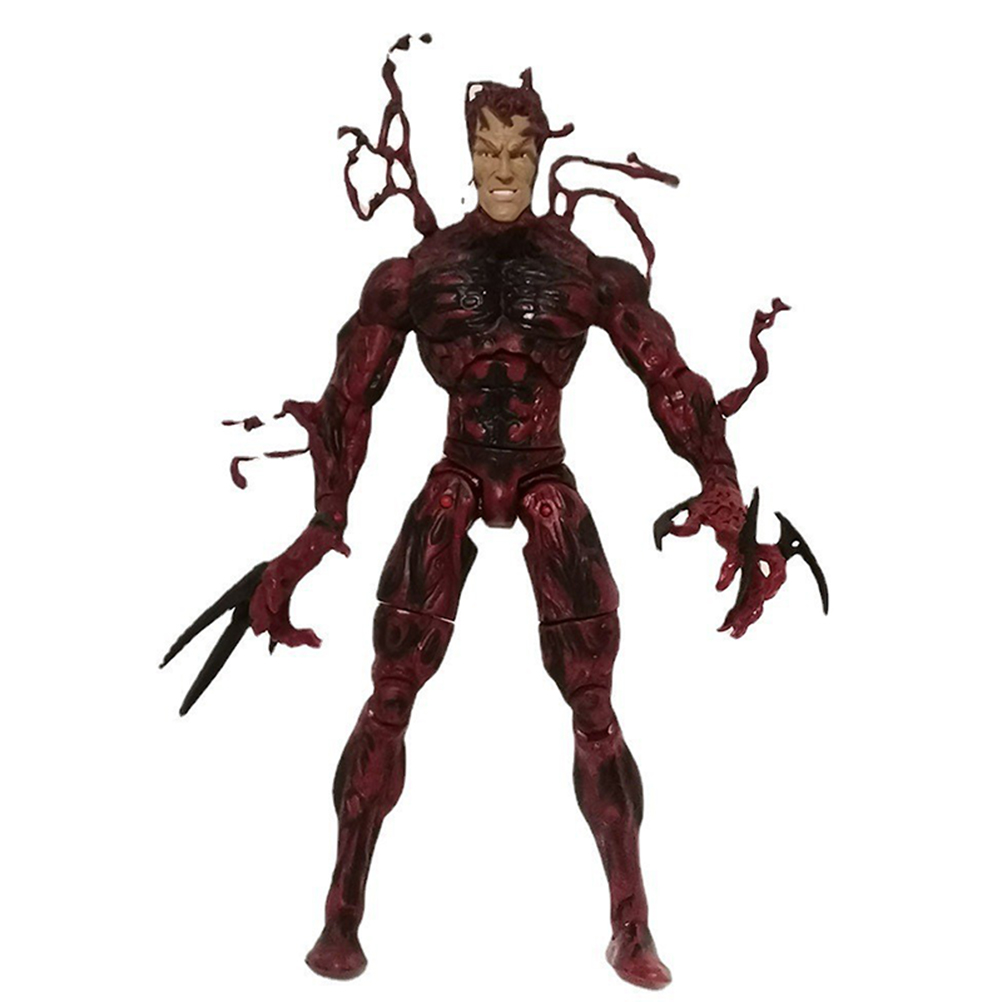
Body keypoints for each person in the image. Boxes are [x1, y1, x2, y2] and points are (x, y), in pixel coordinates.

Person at [165, 67, 815, 991]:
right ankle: (340, 914)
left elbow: (668, 377)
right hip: (459, 469)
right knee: (391, 688)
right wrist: (320, 527)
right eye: (487, 150)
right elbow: (350, 397)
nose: (503, 169)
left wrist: (716, 480)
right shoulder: (423, 273)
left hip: (544, 472)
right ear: (468, 156)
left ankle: (630, 924)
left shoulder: (581, 269)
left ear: (539, 154)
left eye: (519, 151)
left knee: (594, 703)